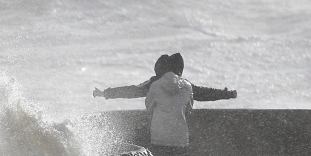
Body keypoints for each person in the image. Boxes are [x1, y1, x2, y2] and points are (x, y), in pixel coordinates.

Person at [145, 53, 195, 156]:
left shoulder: (155, 86)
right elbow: (189, 111)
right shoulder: (187, 86)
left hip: (159, 138)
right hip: (180, 139)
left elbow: (149, 107)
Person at [93, 55, 236, 102]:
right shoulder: (185, 85)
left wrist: (105, 93)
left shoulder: (154, 84)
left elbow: (132, 91)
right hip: (181, 138)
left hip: (159, 137)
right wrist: (227, 94)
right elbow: (205, 93)